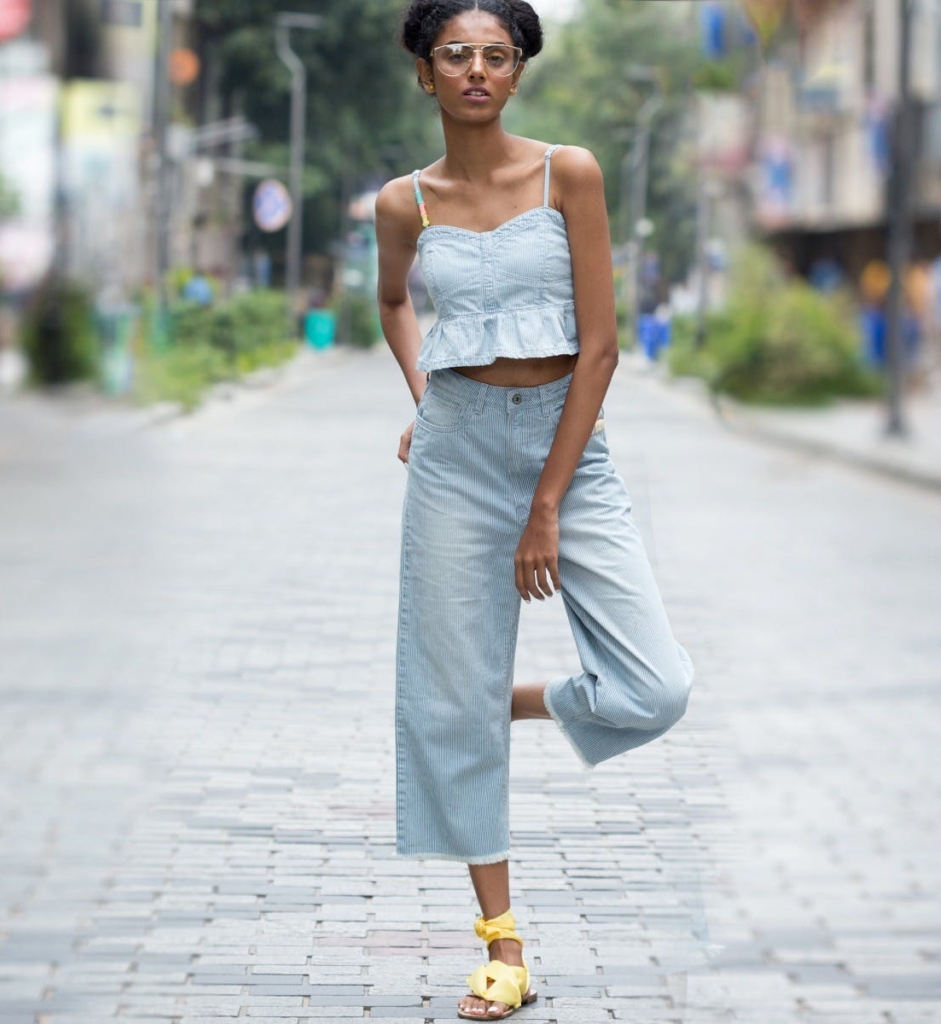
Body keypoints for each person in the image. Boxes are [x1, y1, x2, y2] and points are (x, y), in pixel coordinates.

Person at [375, 2, 694, 1018]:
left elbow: (599, 347)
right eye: (456, 56)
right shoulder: (401, 204)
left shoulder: (571, 174)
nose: (476, 70)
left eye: (496, 56)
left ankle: (507, 703)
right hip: (458, 453)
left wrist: (546, 503)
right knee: (443, 688)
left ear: (517, 72)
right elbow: (392, 301)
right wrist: (428, 400)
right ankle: (501, 944)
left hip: (570, 444)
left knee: (655, 686)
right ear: (426, 74)